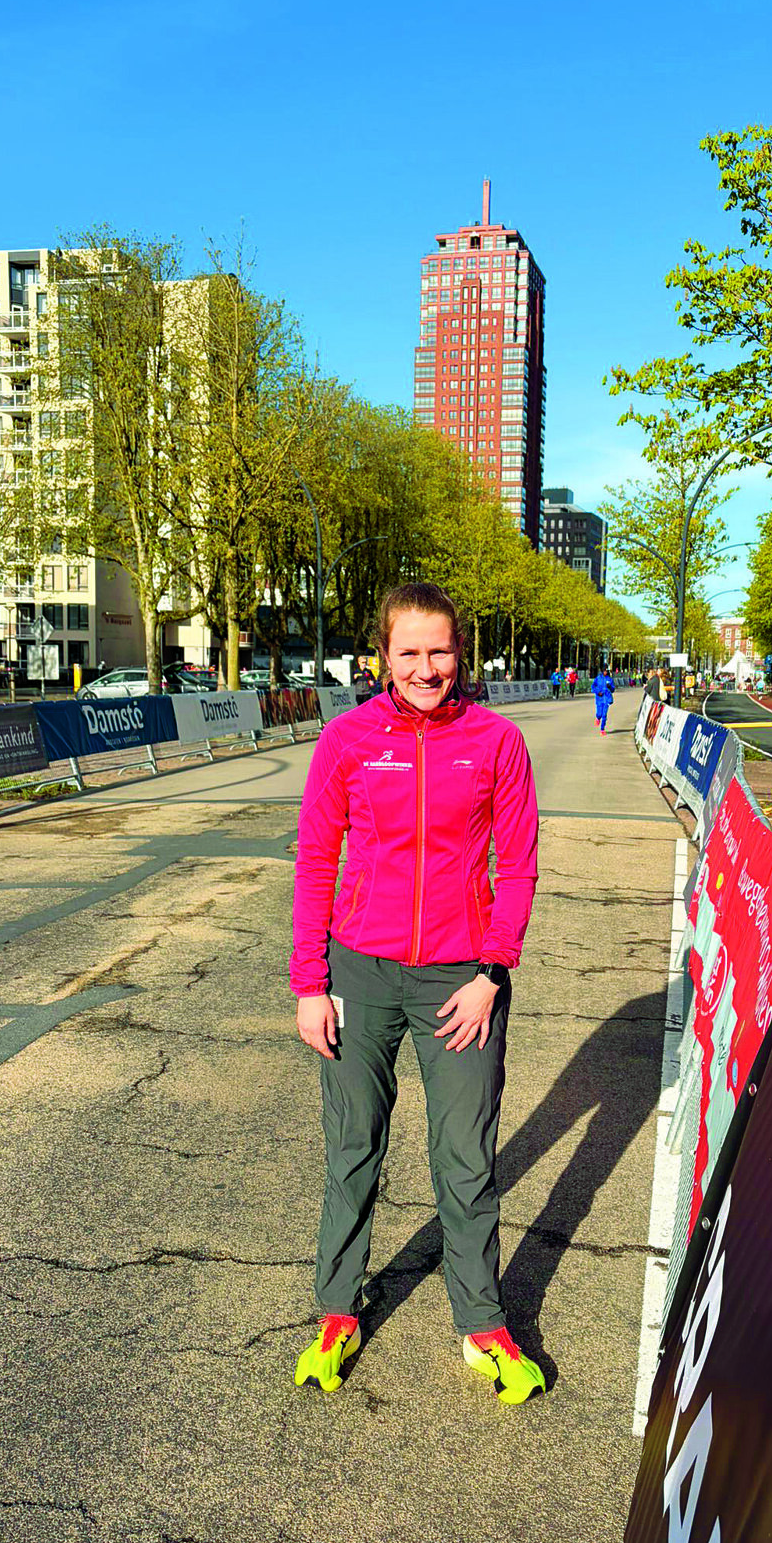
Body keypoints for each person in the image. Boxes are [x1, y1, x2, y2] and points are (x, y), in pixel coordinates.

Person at [290, 581, 546, 1404]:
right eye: (410, 652)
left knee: (466, 1158)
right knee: (352, 1146)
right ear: (384, 656)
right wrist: (310, 982)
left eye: (440, 651)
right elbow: (314, 860)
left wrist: (491, 972)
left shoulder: (497, 741)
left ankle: (481, 1321)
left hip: (460, 981)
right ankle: (338, 1309)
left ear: (459, 654)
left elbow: (519, 864)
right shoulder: (348, 739)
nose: (427, 668)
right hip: (359, 974)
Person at [591, 665, 615, 733]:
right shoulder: (598, 678)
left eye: (606, 671)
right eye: (604, 671)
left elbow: (613, 690)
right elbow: (593, 686)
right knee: (599, 714)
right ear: (602, 671)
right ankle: (598, 718)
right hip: (599, 699)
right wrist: (597, 692)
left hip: (606, 699)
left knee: (604, 715)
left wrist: (610, 687)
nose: (605, 672)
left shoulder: (610, 679)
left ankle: (602, 729)